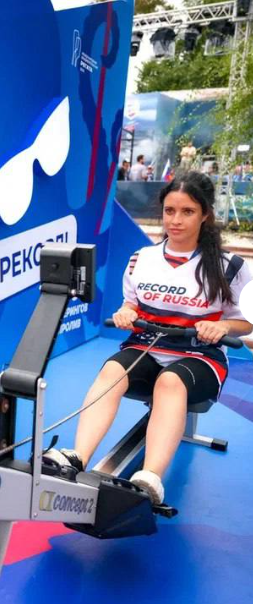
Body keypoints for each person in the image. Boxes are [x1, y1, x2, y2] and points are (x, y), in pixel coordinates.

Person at [45, 171, 253, 504]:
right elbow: (131, 303)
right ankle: (77, 457)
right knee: (111, 371)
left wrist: (225, 327)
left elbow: (246, 323)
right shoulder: (141, 259)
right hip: (148, 346)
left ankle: (150, 478)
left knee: (170, 382)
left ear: (205, 215)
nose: (176, 220)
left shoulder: (231, 267)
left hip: (200, 356)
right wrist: (125, 312)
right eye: (170, 211)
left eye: (187, 212)